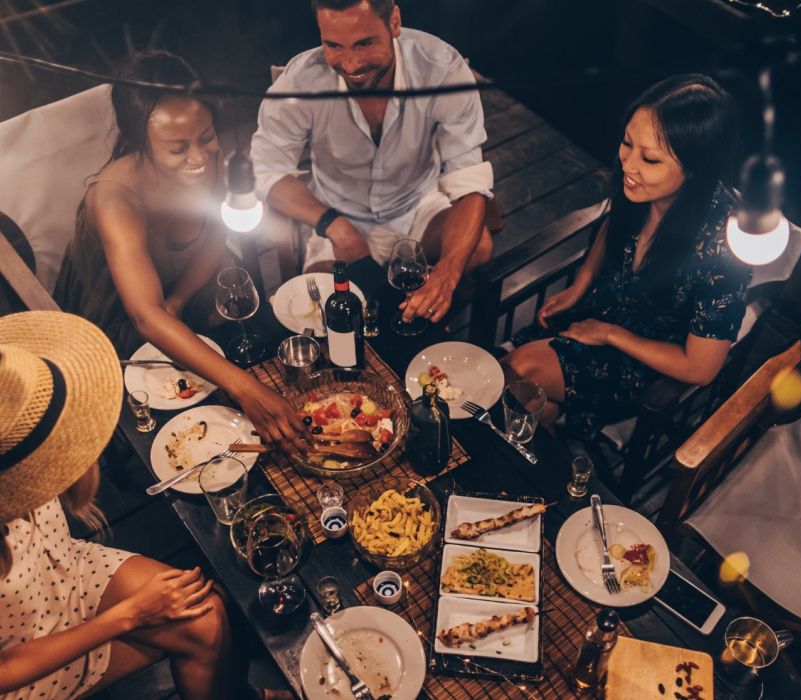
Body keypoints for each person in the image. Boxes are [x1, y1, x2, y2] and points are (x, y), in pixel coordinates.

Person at [0, 310, 272, 700]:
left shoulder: (15, 432)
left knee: (208, 613)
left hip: (63, 573)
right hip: (21, 658)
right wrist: (129, 616)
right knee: (202, 631)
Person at [53, 51, 305, 452]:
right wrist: (247, 389)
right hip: (116, 318)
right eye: (178, 149)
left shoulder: (213, 160)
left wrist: (180, 299)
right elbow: (144, 315)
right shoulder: (115, 199)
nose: (200, 158)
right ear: (142, 143)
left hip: (181, 291)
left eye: (206, 137)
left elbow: (213, 236)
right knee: (179, 421)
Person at [503, 74, 751, 443]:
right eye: (626, 143)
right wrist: (582, 282)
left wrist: (609, 334)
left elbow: (701, 368)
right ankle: (541, 454)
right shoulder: (639, 188)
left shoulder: (725, 246)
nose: (628, 165)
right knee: (526, 405)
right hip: (602, 310)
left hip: (648, 360)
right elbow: (613, 224)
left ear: (696, 169)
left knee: (517, 369)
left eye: (649, 158)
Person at [251, 0, 494, 324]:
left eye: (365, 43)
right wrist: (334, 225)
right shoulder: (299, 84)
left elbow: (469, 181)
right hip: (337, 212)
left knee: (478, 249)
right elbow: (267, 171)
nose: (350, 64)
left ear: (394, 22)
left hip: (417, 203)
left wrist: (447, 275)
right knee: (321, 311)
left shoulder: (442, 69)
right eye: (333, 45)